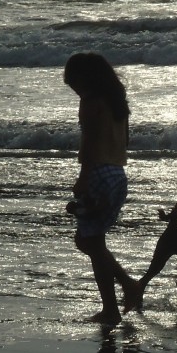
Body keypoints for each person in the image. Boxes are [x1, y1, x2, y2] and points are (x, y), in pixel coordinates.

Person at [64, 52, 137, 326]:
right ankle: (118, 298)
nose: (74, 89)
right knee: (91, 242)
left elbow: (90, 142)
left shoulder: (90, 102)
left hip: (97, 173)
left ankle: (120, 296)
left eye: (74, 83)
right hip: (117, 175)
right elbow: (125, 141)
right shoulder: (117, 102)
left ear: (86, 79)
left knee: (90, 243)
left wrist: (84, 177)